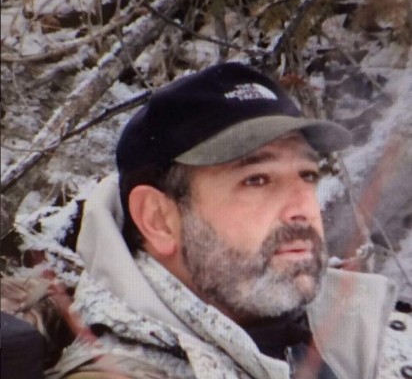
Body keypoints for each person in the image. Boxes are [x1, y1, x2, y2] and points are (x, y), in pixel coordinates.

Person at [47, 63, 402, 379]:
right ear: (158, 219)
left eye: (308, 175)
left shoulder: (362, 331)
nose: (303, 208)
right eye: (257, 180)